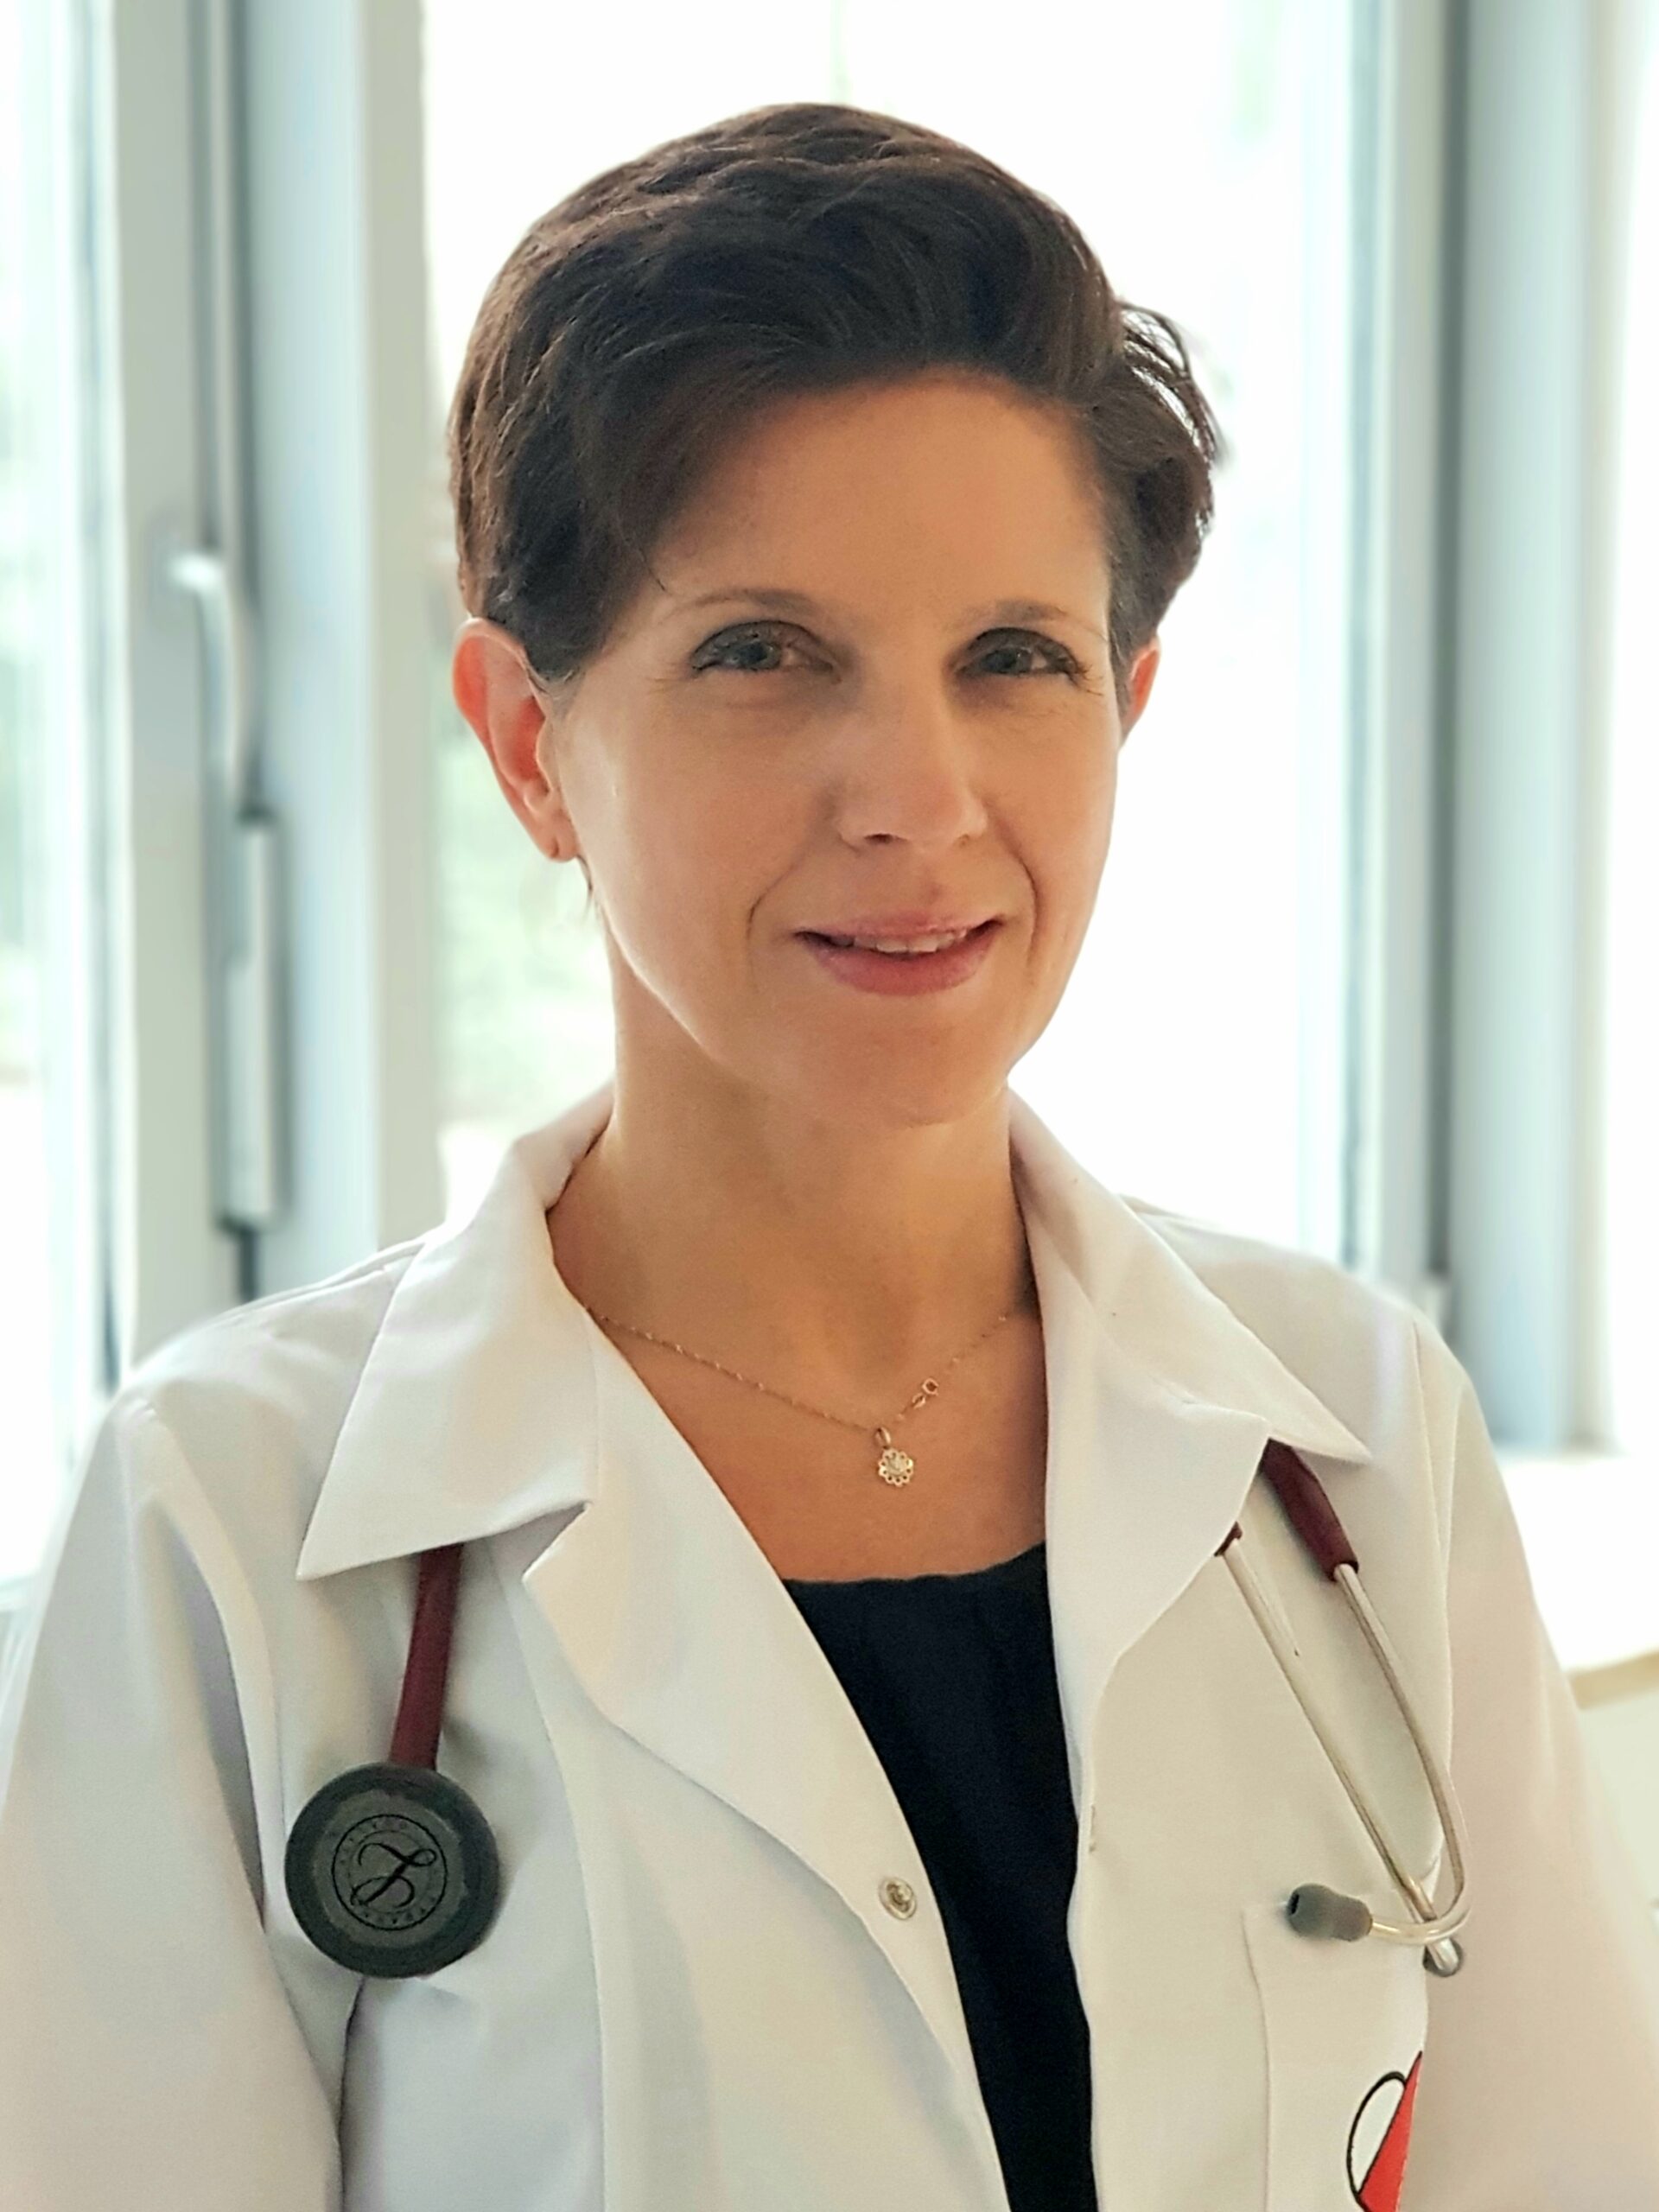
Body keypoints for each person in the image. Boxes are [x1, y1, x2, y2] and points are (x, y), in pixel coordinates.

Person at [2, 99, 1657, 2212]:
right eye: (764, 655)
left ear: (1125, 707)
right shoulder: (232, 1516)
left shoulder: (1352, 1431)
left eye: (1014, 659)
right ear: (527, 742)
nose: (917, 796)